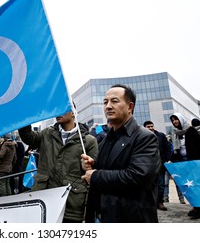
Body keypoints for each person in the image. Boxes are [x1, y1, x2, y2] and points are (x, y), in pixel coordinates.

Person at [81, 84, 161, 223]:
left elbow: (138, 176)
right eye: (105, 102)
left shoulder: (145, 137)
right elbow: (111, 167)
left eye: (114, 101)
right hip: (104, 214)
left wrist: (95, 175)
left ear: (130, 107)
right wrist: (92, 165)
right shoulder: (107, 138)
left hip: (130, 217)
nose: (108, 106)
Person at [19, 106, 98, 223]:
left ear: (73, 113)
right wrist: (24, 118)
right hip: (44, 199)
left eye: (62, 109)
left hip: (72, 203)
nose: (58, 112)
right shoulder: (47, 134)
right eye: (55, 109)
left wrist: (88, 165)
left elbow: (93, 170)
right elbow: (29, 138)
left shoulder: (88, 141)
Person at [169, 113, 200, 219]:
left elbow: (199, 145)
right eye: (173, 120)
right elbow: (176, 150)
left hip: (194, 163)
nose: (175, 122)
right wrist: (171, 159)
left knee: (195, 186)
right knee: (188, 186)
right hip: (183, 164)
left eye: (176, 119)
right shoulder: (175, 133)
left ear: (181, 119)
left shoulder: (191, 131)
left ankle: (198, 208)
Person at [143, 120, 171, 211]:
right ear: (145, 128)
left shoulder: (161, 136)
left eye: (152, 126)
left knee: (161, 184)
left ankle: (160, 202)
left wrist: (166, 160)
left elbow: (167, 148)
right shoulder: (142, 137)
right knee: (148, 184)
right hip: (147, 165)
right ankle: (151, 202)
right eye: (148, 127)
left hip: (160, 164)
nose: (151, 128)